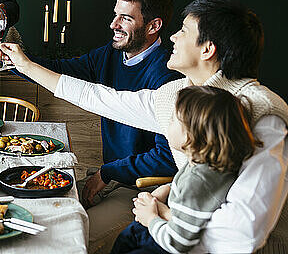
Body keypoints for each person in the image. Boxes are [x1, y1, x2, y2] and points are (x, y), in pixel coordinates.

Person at [0, 0, 288, 253]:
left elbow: (243, 236)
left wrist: (162, 216)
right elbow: (99, 97)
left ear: (207, 49)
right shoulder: (179, 95)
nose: (173, 37)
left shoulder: (263, 113)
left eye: (184, 31)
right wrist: (23, 65)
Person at [0, 0, 181, 209]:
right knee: (39, 204)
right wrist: (10, 60)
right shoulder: (110, 54)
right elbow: (60, 70)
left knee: (75, 232)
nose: (113, 24)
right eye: (116, 15)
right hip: (111, 178)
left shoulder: (167, 77)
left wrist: (107, 173)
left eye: (125, 18)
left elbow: (167, 158)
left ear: (154, 26)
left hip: (143, 191)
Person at [111, 85, 260, 253]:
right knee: (129, 235)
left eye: (174, 119)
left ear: (190, 136)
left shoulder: (199, 180)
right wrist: (167, 189)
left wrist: (150, 217)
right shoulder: (208, 165)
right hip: (166, 221)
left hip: (168, 242)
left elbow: (177, 241)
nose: (169, 123)